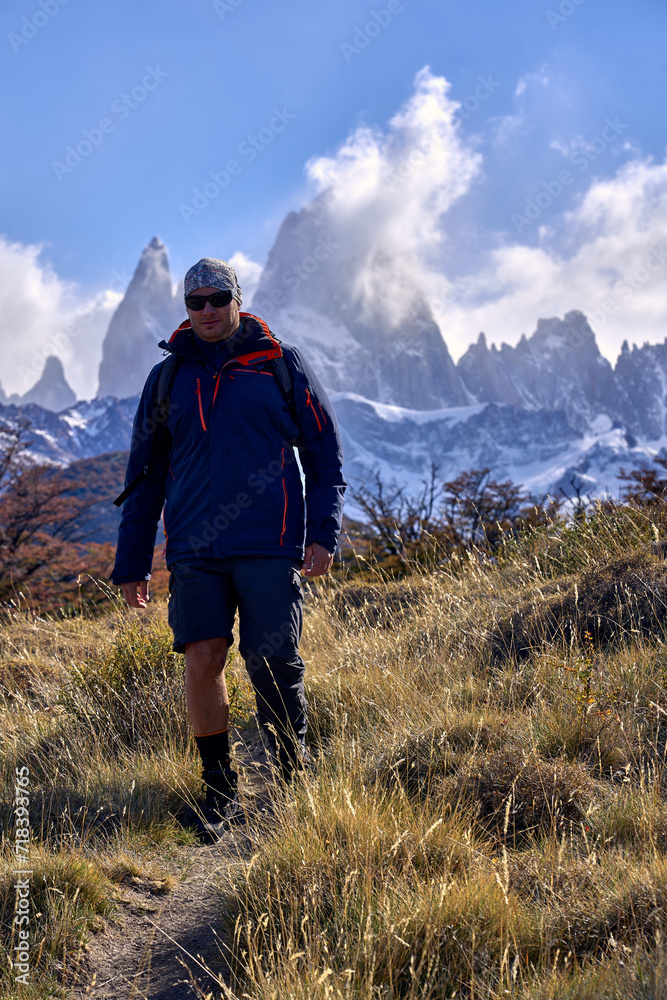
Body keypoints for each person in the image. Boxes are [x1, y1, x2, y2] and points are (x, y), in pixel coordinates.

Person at [110, 257, 346, 840]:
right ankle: (219, 790)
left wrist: (322, 535)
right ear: (186, 310)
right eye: (196, 303)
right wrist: (133, 562)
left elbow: (323, 455)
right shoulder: (167, 379)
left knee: (271, 663)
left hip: (270, 542)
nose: (208, 311)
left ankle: (294, 784)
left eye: (218, 299)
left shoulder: (279, 364)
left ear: (237, 300)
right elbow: (143, 477)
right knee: (202, 659)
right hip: (194, 549)